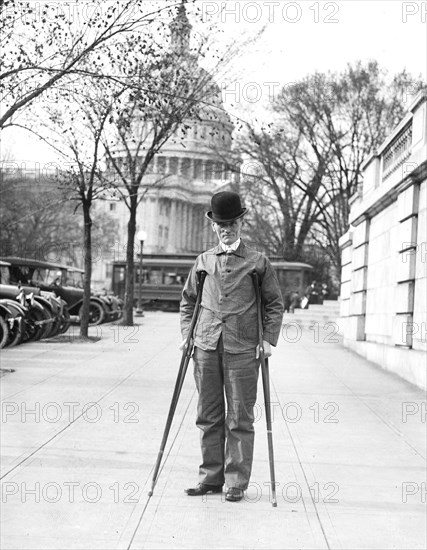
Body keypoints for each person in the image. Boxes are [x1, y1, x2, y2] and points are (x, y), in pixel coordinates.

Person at [180, 191, 284, 502]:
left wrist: (267, 340)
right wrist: (187, 334)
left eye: (233, 222)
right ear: (213, 226)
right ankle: (211, 478)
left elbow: (274, 304)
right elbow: (188, 302)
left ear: (242, 222)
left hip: (242, 350)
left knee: (239, 417)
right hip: (206, 347)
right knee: (208, 415)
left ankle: (236, 482)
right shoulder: (203, 261)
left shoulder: (257, 262)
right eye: (221, 224)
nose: (227, 229)